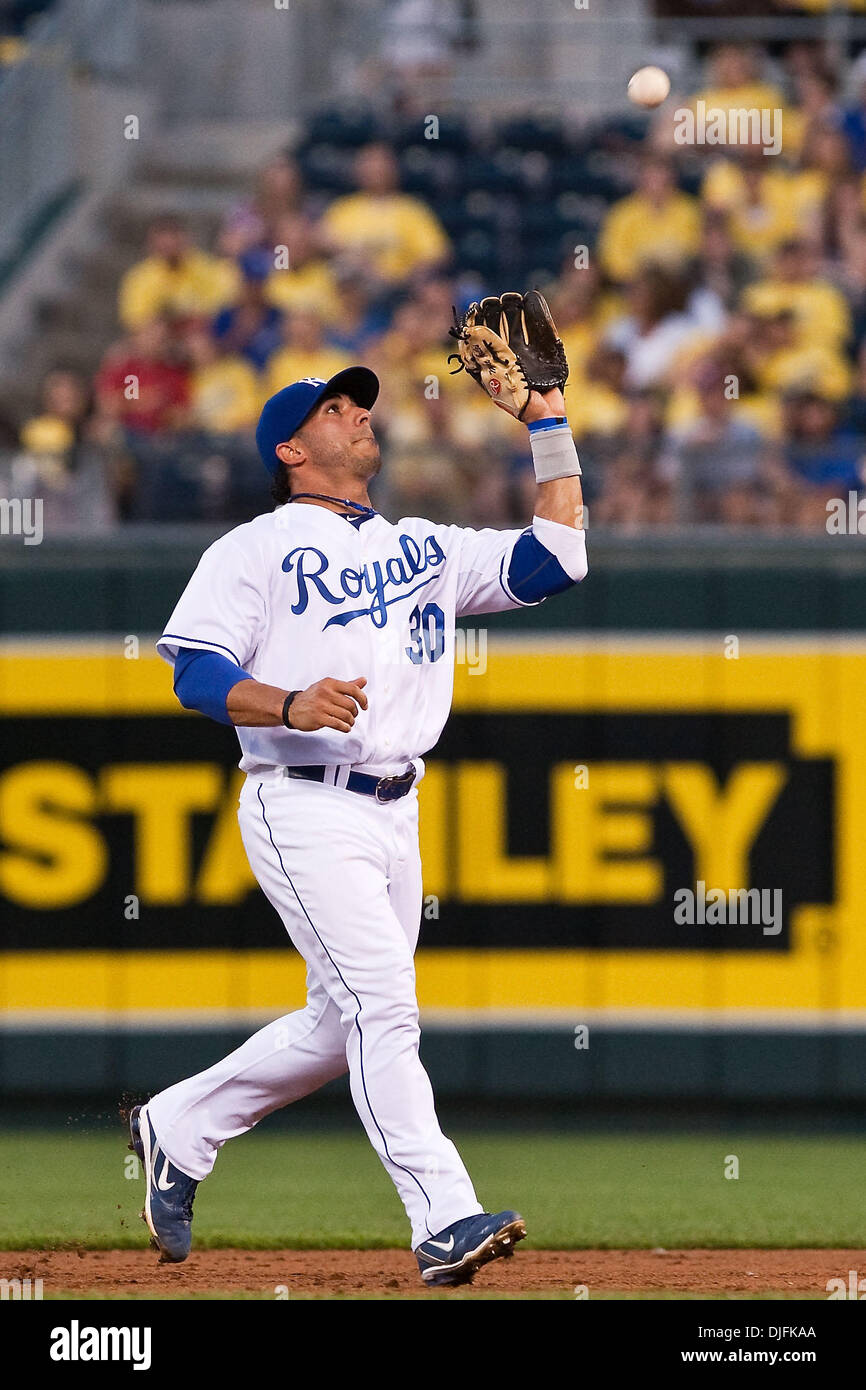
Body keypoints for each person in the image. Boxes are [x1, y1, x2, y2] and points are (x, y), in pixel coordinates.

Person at [128, 297, 588, 1289]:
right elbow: (194, 673)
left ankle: (178, 1124)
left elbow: (557, 559)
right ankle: (442, 1219)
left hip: (395, 806)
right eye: (335, 407)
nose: (357, 412)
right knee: (386, 1008)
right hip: (299, 799)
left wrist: (547, 419)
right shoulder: (250, 549)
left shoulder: (421, 545)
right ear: (290, 447)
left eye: (358, 403)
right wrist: (288, 699)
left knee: (339, 1025)